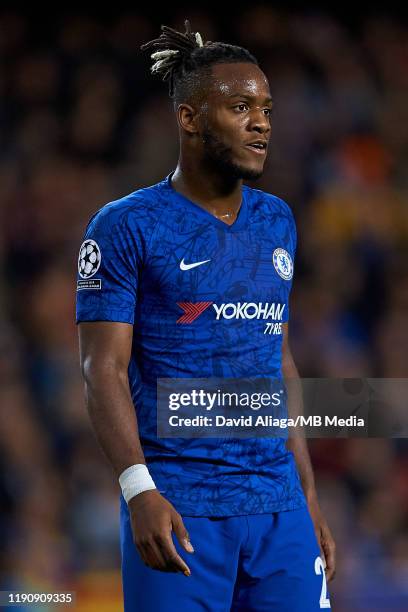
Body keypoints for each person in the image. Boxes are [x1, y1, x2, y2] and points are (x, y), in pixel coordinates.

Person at [76, 20, 335, 611]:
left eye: (266, 108)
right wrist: (138, 490)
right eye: (241, 107)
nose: (262, 122)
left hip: (279, 510)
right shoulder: (125, 227)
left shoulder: (278, 222)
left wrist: (309, 496)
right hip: (181, 506)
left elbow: (279, 360)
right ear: (189, 118)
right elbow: (102, 370)